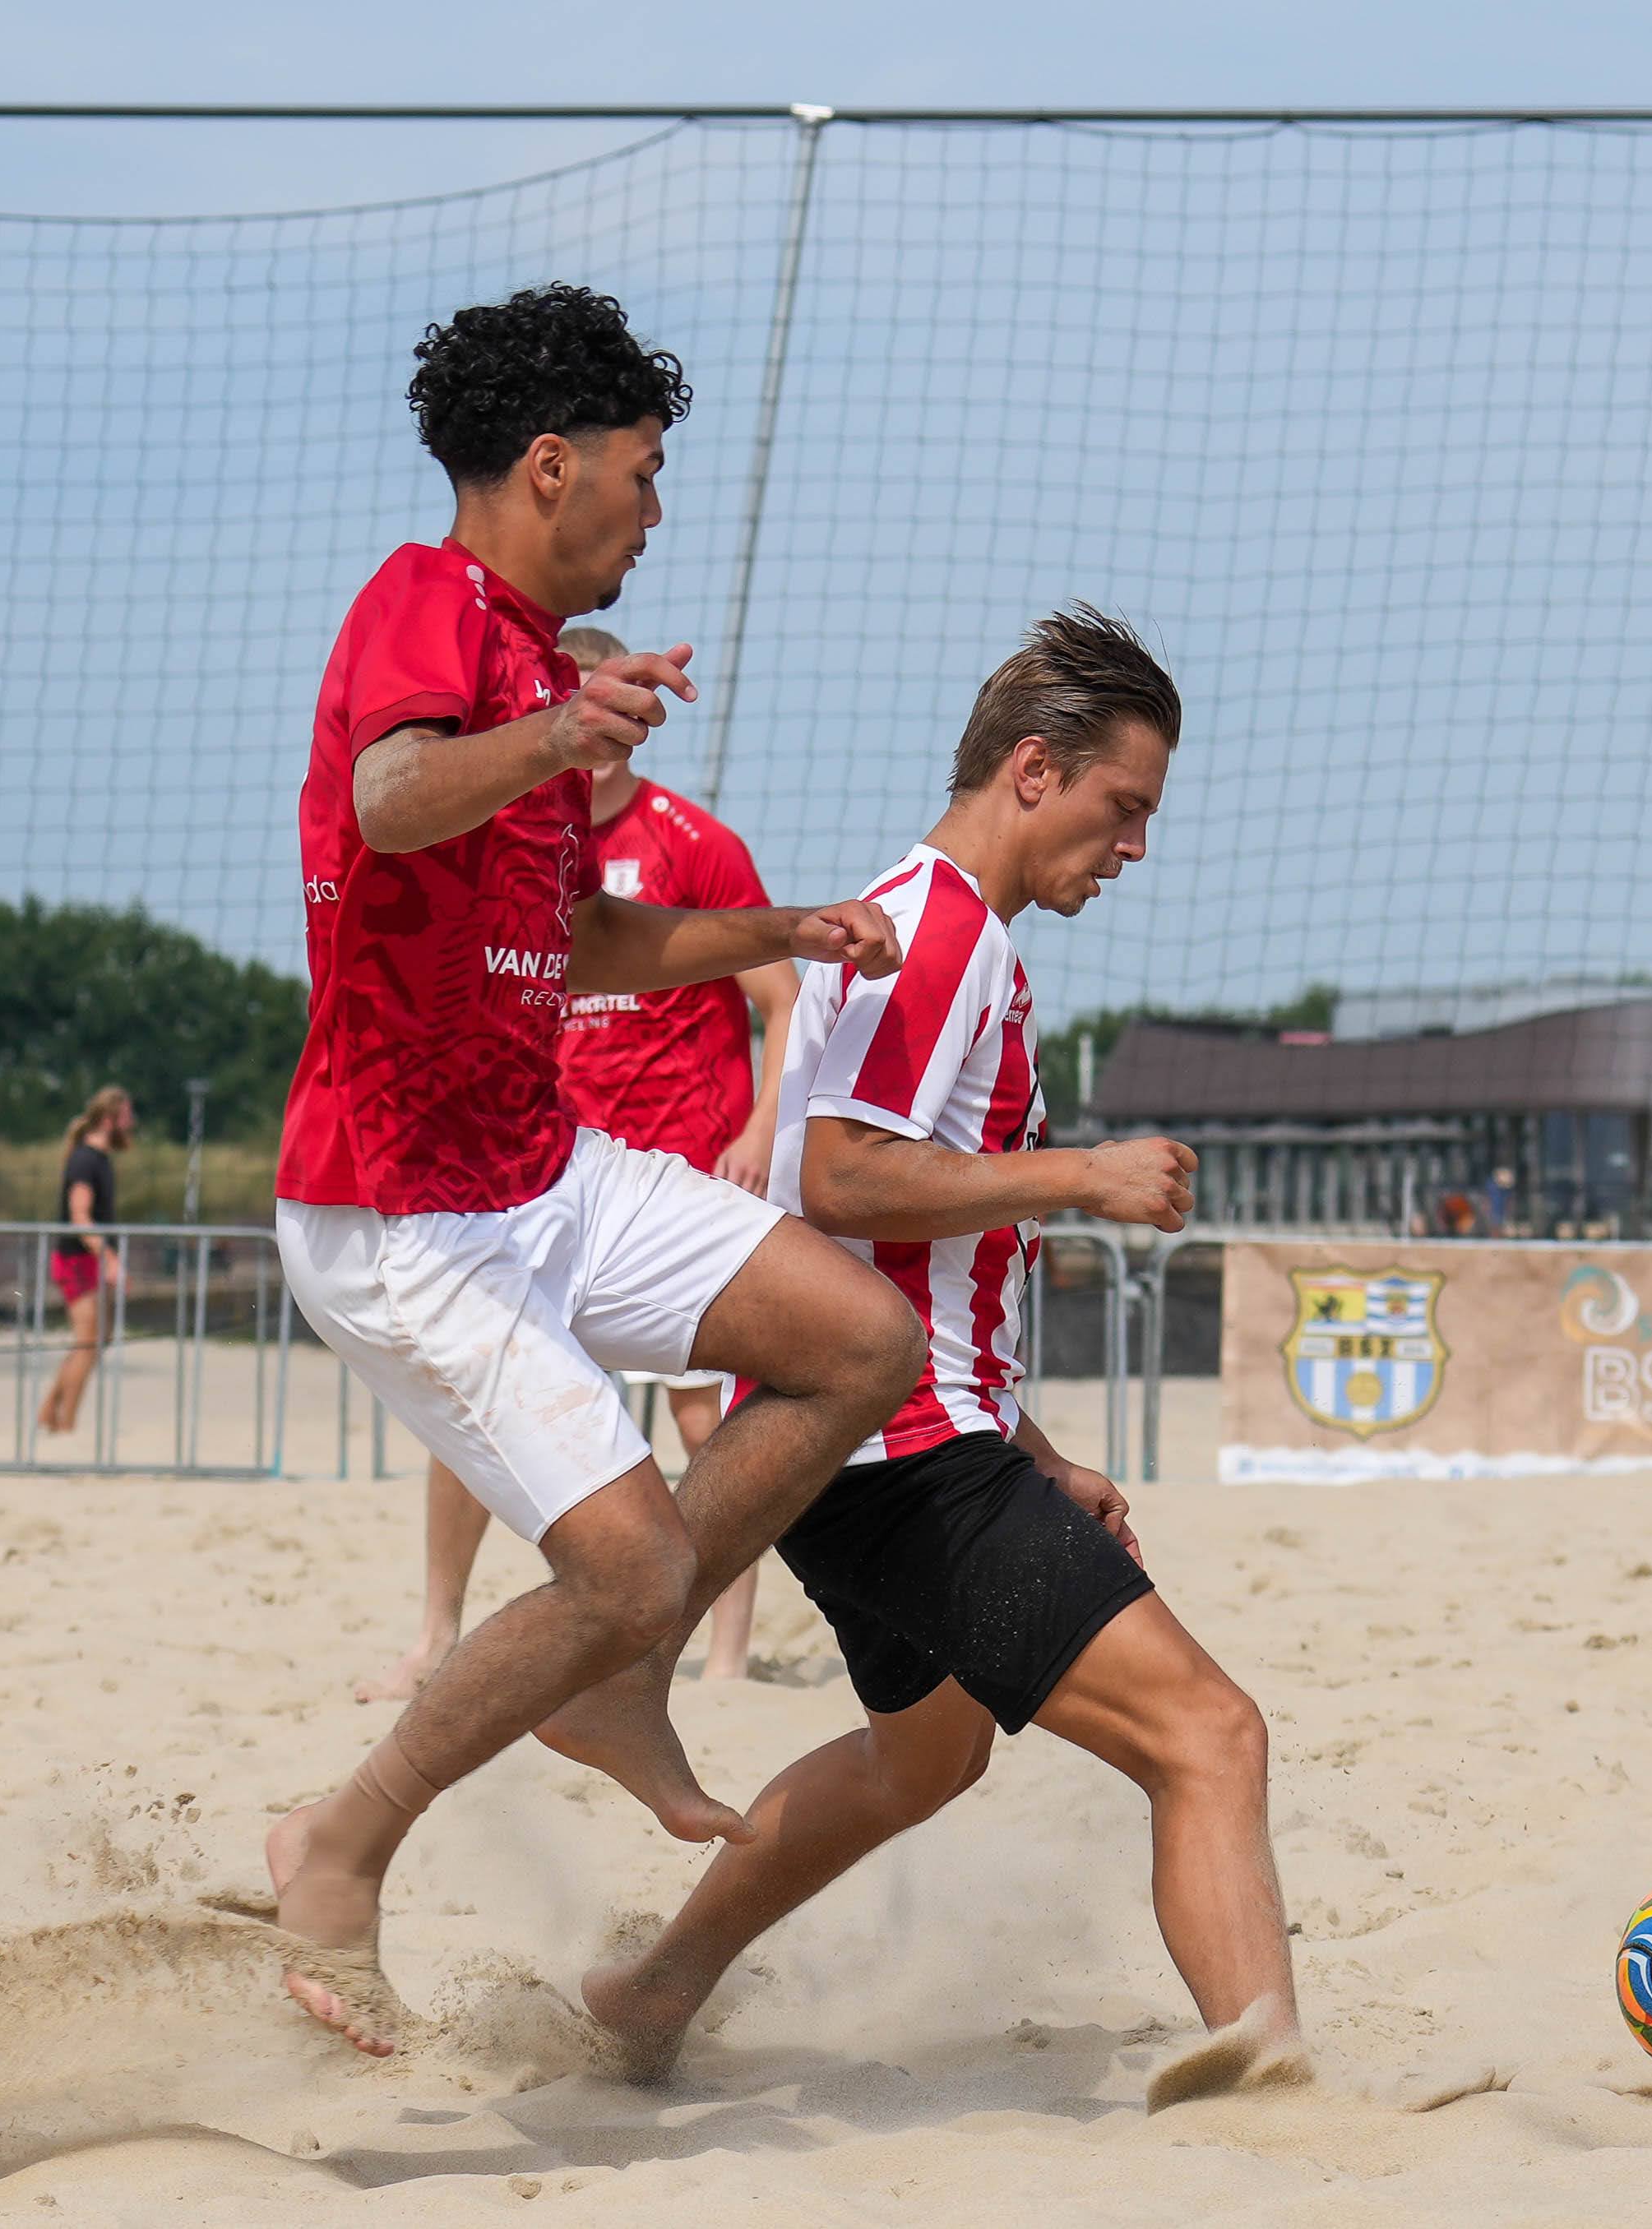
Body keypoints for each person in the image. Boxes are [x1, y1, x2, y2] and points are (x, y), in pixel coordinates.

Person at [262, 283, 926, 2056]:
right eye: (641, 473)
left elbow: (581, 943)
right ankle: (339, 1837)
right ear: (548, 466)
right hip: (405, 1212)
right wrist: (560, 731)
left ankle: (620, 1672)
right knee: (629, 1556)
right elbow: (399, 798)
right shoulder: (424, 603)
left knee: (860, 1342)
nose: (655, 509)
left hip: (543, 1168)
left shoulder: (540, 668)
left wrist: (768, 930)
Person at [577, 608, 1303, 2109]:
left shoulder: (932, 923)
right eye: (1125, 809)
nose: (1136, 847)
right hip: (896, 1454)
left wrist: (1037, 1451)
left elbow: (879, 1242)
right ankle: (1274, 2095)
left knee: (923, 1762)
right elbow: (839, 1178)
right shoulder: (943, 929)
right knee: (1209, 1735)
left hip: (887, 1440)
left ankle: (648, 1994)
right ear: (1033, 773)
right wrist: (1080, 1175)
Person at [360, 622, 794, 1703]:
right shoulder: (506, 834)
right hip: (536, 1174)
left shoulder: (694, 841)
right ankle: (436, 1633)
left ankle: (723, 1664)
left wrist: (756, 1133)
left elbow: (781, 996)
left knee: (710, 1419)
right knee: (475, 1410)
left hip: (680, 1167)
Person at [37, 1087, 133, 1436]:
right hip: (76, 1258)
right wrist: (108, 1258)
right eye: (126, 1116)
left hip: (87, 1258)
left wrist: (111, 1259)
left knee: (96, 1339)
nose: (131, 1123)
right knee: (87, 1341)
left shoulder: (99, 1159)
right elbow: (80, 1216)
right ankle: (64, 1421)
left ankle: (51, 1410)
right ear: (110, 1120)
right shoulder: (85, 1160)